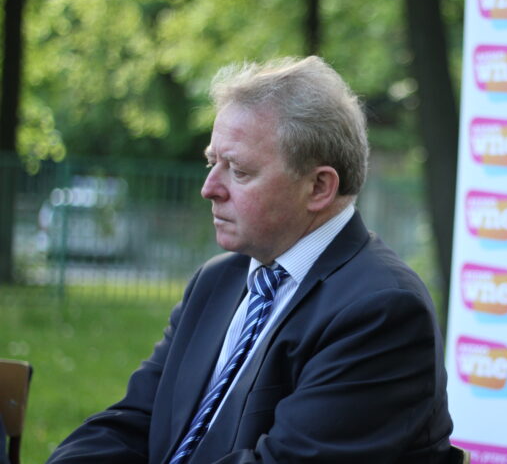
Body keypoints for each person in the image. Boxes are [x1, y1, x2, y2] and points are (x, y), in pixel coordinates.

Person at [47, 56, 454, 463]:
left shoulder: (381, 310)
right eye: (212, 163)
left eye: (238, 171)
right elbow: (135, 421)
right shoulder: (217, 281)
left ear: (318, 187)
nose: (209, 188)